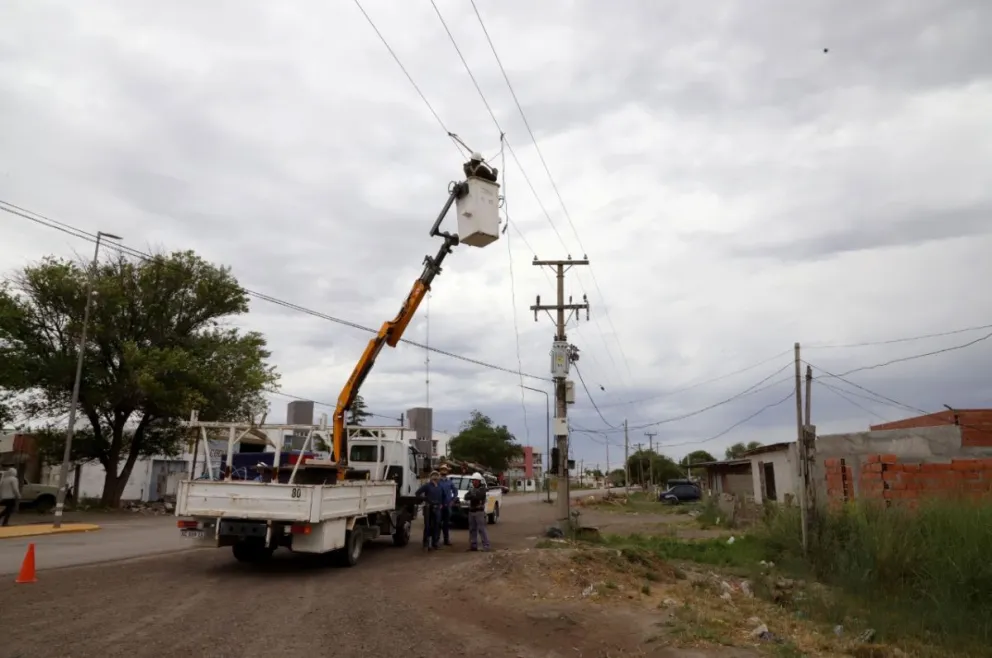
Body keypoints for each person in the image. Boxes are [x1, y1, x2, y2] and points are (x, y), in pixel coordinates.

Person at [415, 471, 444, 551]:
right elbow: (417, 493)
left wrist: (442, 504)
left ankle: (435, 543)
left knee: (437, 526)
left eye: (436, 476)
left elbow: (443, 496)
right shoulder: (427, 486)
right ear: (431, 477)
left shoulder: (440, 486)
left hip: (437, 508)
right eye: (433, 476)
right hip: (428, 507)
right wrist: (425, 499)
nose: (435, 477)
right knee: (428, 526)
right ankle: (426, 543)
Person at [464, 472, 491, 552]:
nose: (473, 482)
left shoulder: (482, 489)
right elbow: (466, 497)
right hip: (472, 511)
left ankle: (486, 546)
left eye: (475, 480)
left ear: (479, 481)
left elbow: (478, 497)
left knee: (481, 529)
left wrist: (473, 495)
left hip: (479, 512)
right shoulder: (473, 489)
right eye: (473, 481)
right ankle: (473, 545)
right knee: (472, 529)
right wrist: (473, 495)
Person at [438, 464, 456, 546]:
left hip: (447, 505)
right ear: (440, 471)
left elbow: (455, 491)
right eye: (442, 470)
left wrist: (453, 500)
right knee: (437, 523)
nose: (443, 471)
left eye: (445, 470)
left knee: (446, 524)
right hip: (439, 506)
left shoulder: (449, 482)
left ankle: (446, 540)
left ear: (447, 471)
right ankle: (436, 540)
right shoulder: (437, 481)